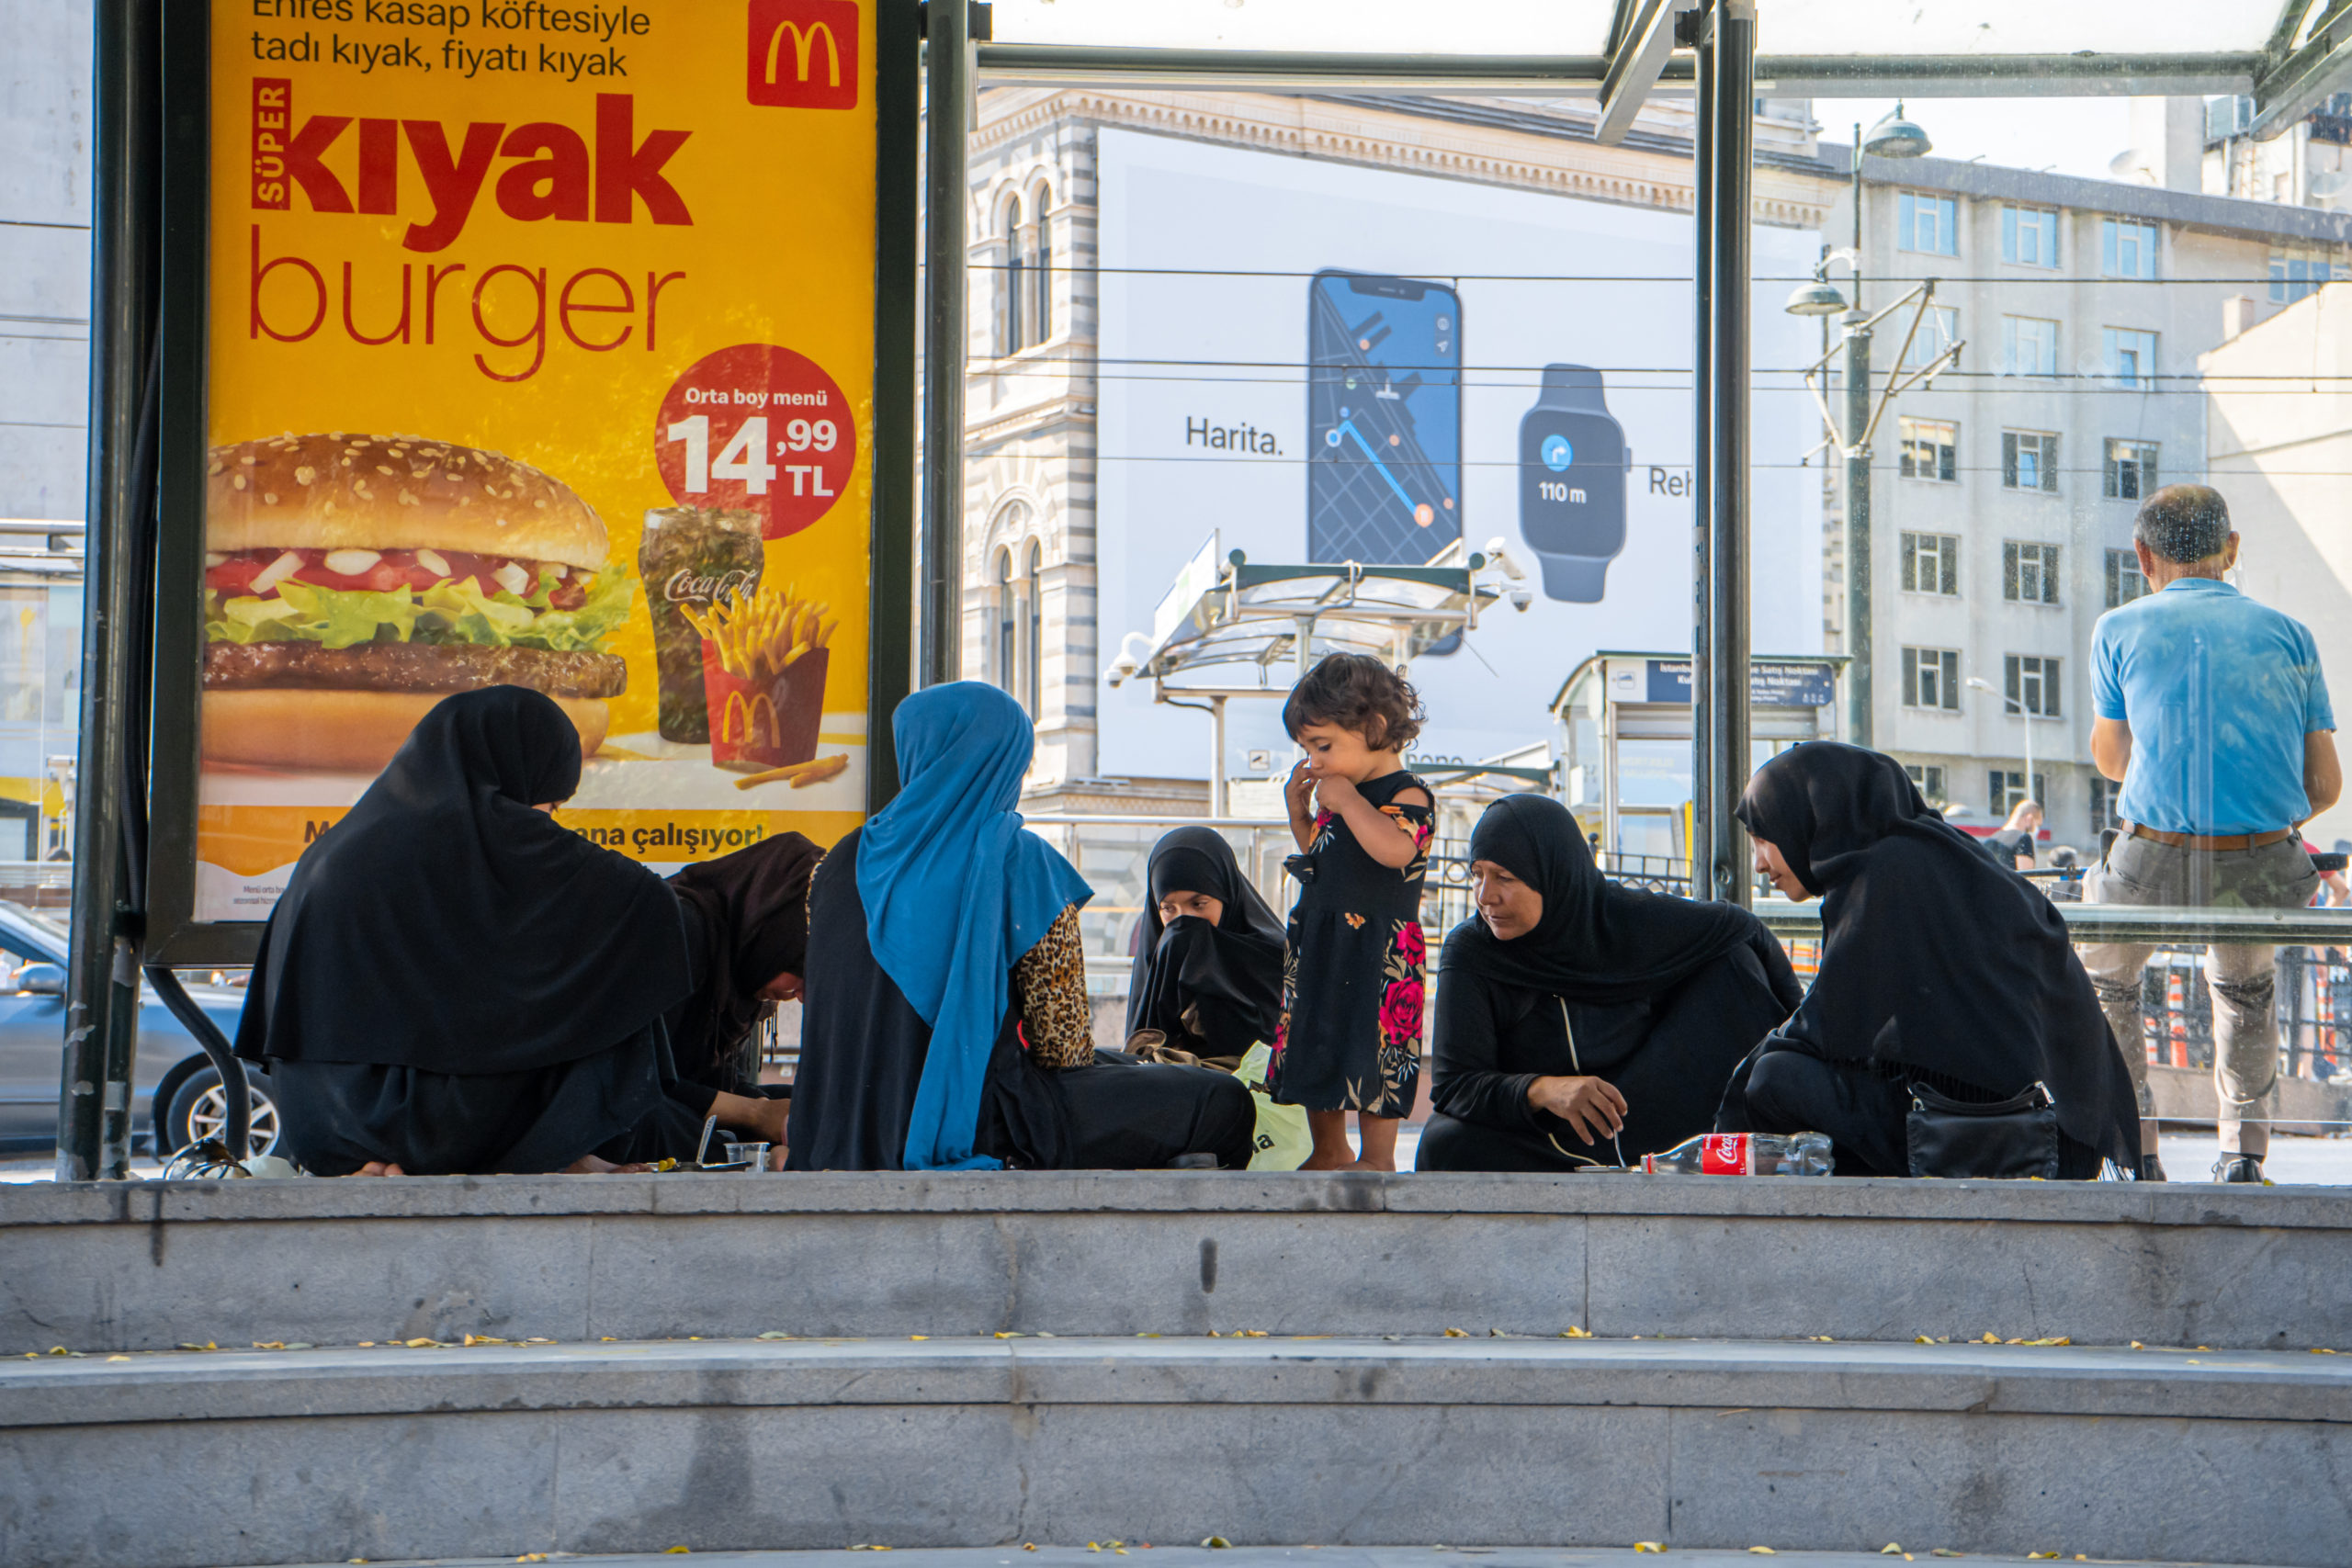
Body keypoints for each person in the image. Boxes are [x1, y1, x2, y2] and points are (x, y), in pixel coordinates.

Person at [786, 682, 1254, 1172]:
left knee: (1126, 1066)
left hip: (840, 1129)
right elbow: (1063, 1046)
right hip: (985, 1121)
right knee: (1220, 1101)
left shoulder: (837, 865)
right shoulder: (1018, 860)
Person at [233, 688, 693, 1177]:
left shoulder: (334, 848)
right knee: (608, 971)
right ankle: (566, 1155)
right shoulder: (494, 836)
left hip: (325, 1126)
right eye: (552, 803)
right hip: (430, 1129)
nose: (547, 820)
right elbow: (651, 905)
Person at [1716, 742, 2142, 1181]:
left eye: (1763, 839)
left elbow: (1826, 1029)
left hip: (2000, 1140)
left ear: (1804, 818)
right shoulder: (1942, 854)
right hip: (2056, 1136)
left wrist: (1727, 1112)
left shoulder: (1883, 876)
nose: (1760, 863)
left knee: (1774, 1078)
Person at [2075, 483, 2339, 1182]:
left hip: (2151, 850)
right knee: (2245, 991)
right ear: (2232, 548)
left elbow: (2109, 759)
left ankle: (2138, 1151)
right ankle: (2242, 1155)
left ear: (2142, 555)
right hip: (2259, 855)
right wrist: (2248, 819)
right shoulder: (2291, 635)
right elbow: (2325, 786)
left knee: (2107, 979)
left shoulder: (2119, 628)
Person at [1418, 794, 1804, 1172]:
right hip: (1547, 1135)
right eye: (1477, 874)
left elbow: (1742, 929)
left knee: (1732, 965)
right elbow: (1456, 1085)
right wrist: (1543, 1090)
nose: (1486, 897)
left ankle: (1725, 1147)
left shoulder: (1625, 919)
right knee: (1446, 1142)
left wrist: (1803, 1043)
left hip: (1651, 1119)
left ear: (1555, 876)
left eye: (1505, 877)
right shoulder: (1473, 951)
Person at [1272, 653, 1435, 1171]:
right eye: (1306, 749)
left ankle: (1378, 1156)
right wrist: (1303, 815)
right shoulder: (1337, 798)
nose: (1314, 762)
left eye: (1324, 746)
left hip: (1380, 947)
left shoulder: (1408, 793)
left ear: (1376, 727)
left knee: (1377, 1047)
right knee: (1319, 1038)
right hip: (1324, 935)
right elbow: (1325, 855)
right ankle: (1330, 1149)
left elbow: (1394, 851)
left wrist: (1349, 803)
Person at [600, 834, 822, 1166]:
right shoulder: (681, 933)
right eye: (798, 969)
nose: (802, 996)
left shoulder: (739, 966)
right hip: (612, 1111)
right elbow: (635, 1080)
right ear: (770, 935)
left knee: (808, 1107)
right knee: (667, 1127)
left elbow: (709, 1078)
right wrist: (757, 1114)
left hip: (664, 1100)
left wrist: (776, 1112)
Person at [1125, 827, 1284, 1070]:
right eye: (1169, 909)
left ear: (1227, 894)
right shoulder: (1155, 955)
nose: (1184, 920)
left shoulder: (1270, 956)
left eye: (1198, 904)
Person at [1984, 799, 2042, 873]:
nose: (2036, 829)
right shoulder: (2023, 838)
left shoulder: (1990, 840)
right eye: (2037, 824)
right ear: (2029, 818)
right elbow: (2027, 875)